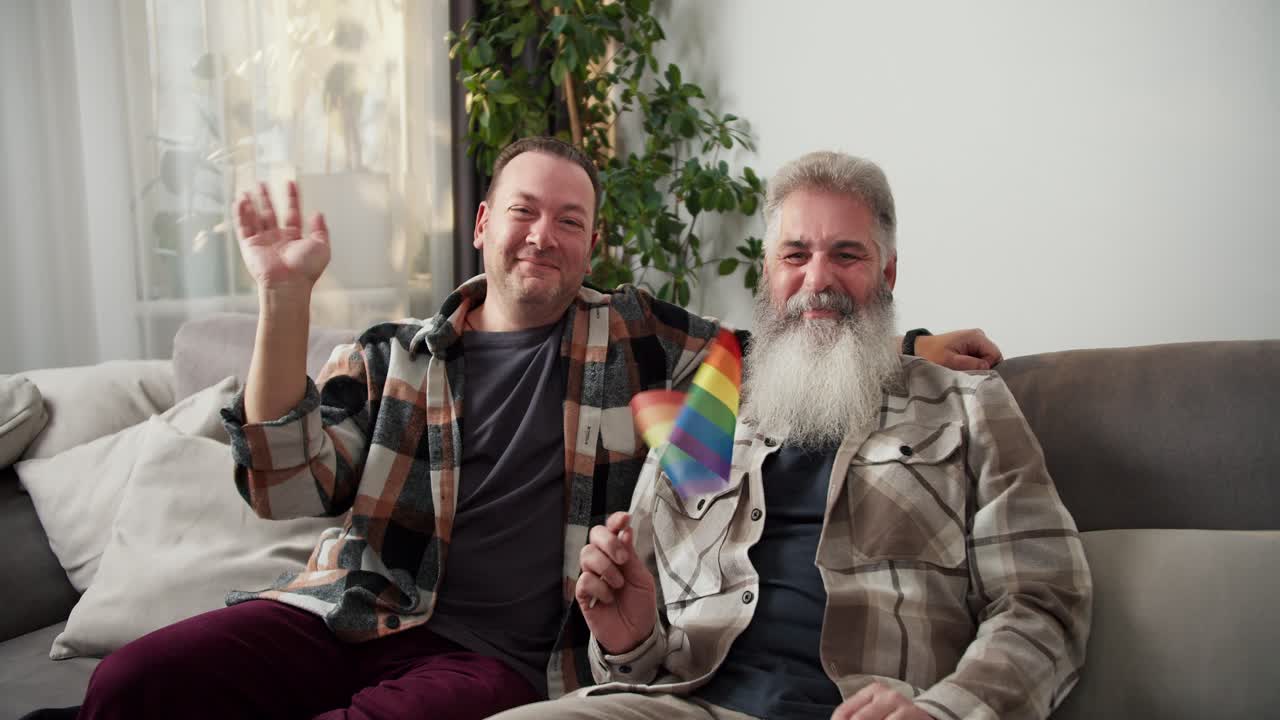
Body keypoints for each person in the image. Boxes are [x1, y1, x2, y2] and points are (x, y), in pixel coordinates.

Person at [73, 139, 1003, 720]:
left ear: (590, 246)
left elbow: (785, 341)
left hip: (507, 663)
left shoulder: (633, 332)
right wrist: (283, 298)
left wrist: (908, 340)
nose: (542, 236)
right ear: (483, 224)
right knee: (130, 685)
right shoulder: (395, 352)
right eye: (523, 211)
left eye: (570, 221)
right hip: (353, 614)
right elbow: (282, 482)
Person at [496, 151, 1092, 720]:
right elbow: (636, 660)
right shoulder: (705, 415)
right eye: (796, 254)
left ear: (887, 274)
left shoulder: (968, 406)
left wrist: (944, 712)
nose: (817, 280)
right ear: (768, 271)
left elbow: (1043, 604)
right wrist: (628, 640)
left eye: (847, 255)